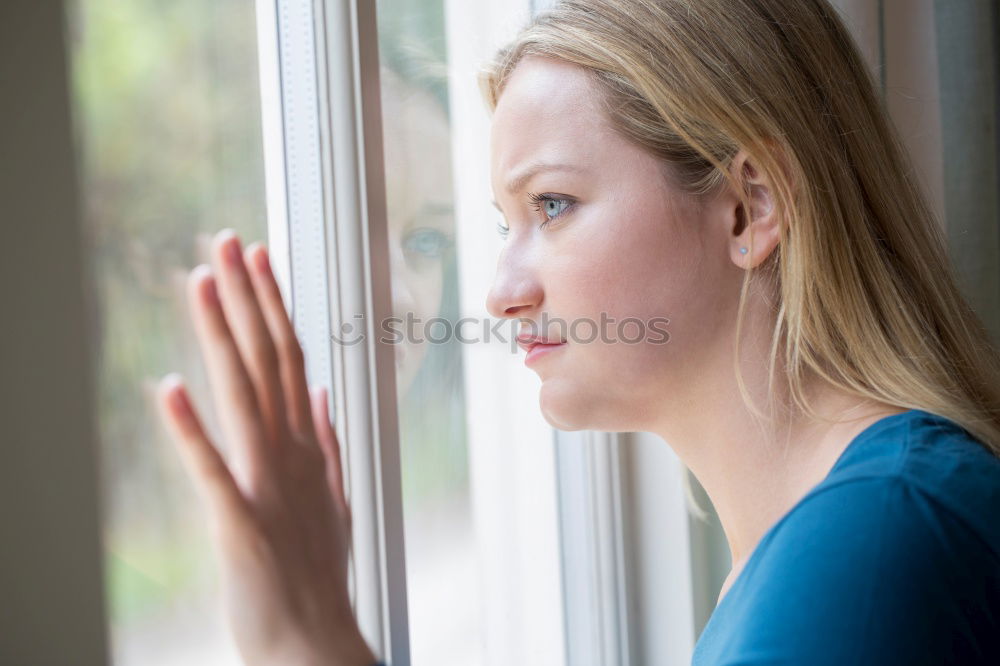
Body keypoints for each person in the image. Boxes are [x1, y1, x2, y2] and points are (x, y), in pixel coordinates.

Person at [155, 0, 1000, 664]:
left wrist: (309, 645)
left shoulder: (872, 543)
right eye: (501, 225)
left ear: (751, 205)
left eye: (551, 205)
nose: (499, 294)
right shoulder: (830, 533)